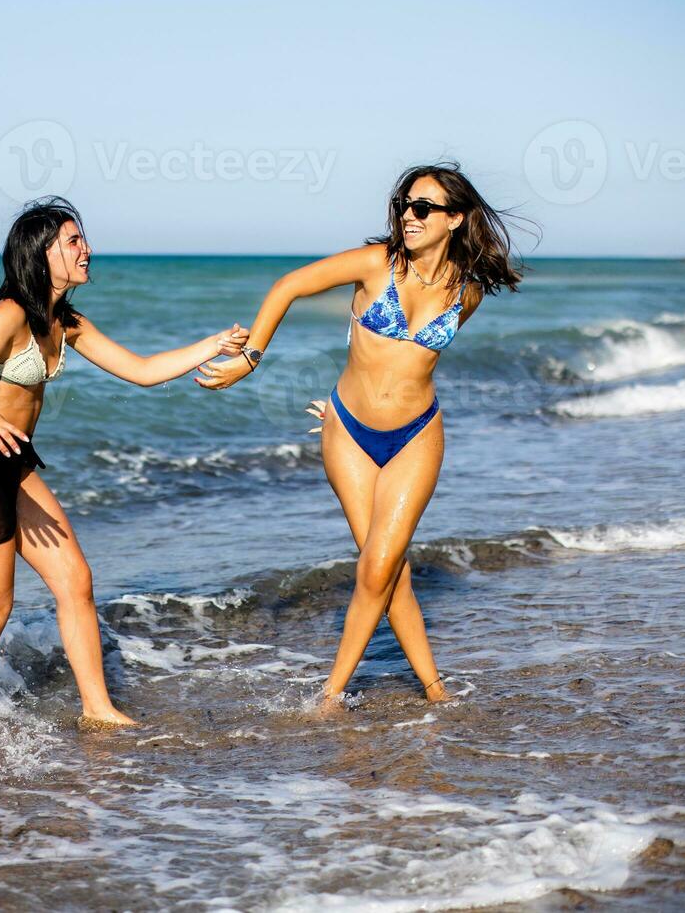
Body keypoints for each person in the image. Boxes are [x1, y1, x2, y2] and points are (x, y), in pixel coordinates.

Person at [197, 163, 525, 712]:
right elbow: (290, 286)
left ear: (455, 219)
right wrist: (250, 358)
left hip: (418, 434)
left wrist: (382, 392)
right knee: (384, 568)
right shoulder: (376, 264)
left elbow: (409, 367)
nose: (408, 216)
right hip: (347, 431)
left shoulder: (467, 293)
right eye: (404, 204)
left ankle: (332, 694)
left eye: (422, 208)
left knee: (381, 566)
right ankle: (434, 689)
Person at [0, 196, 249, 726]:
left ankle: (97, 709)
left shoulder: (66, 322)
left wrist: (214, 344)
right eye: (74, 241)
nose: (87, 250)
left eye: (83, 239)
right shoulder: (9, 314)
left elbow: (143, 370)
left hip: (13, 462)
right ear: (42, 253)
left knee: (76, 579)